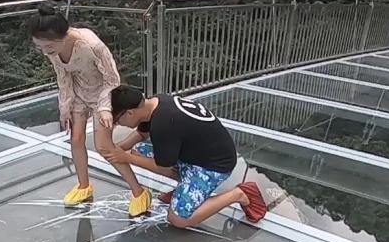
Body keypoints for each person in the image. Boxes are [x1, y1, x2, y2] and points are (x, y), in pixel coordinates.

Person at [27, 4, 152, 217]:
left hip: (103, 93)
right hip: (78, 94)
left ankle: (139, 192)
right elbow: (63, 76)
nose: (45, 52)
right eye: (40, 47)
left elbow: (112, 78)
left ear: (62, 36)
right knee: (75, 140)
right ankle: (84, 186)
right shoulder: (52, 48)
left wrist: (105, 108)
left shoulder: (91, 45)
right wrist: (64, 106)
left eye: (47, 47)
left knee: (104, 147)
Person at [101, 85, 267, 229]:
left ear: (130, 113)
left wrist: (125, 157)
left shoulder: (164, 123)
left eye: (117, 121)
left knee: (178, 219)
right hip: (198, 154)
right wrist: (120, 148)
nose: (117, 125)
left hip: (214, 167)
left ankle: (238, 194)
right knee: (138, 151)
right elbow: (142, 133)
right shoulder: (155, 103)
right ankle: (187, 188)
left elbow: (162, 166)